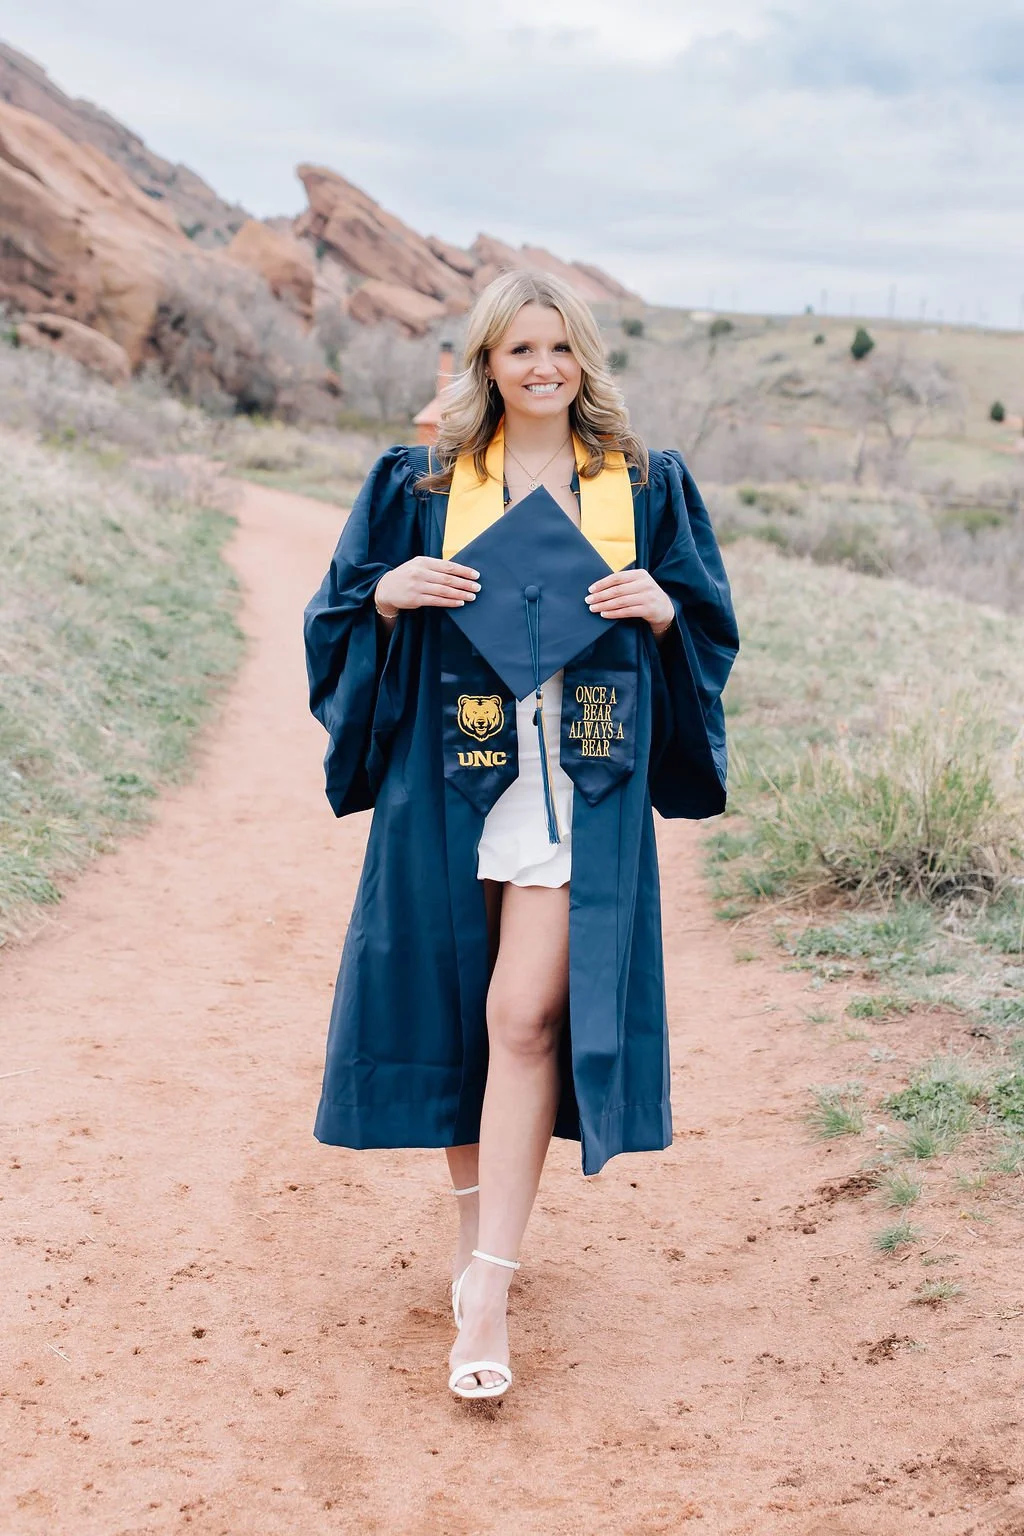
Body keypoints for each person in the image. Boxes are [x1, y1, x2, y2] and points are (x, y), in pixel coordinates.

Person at [303, 269, 738, 1402]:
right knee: (459, 1010)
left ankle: (488, 1289)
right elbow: (337, 611)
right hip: (453, 773)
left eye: (558, 348)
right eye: (516, 351)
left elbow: (707, 622)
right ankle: (471, 1246)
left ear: (583, 358)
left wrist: (663, 611)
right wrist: (389, 593)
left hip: (580, 776)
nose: (541, 368)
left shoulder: (644, 482)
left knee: (525, 1015)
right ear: (484, 363)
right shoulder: (421, 480)